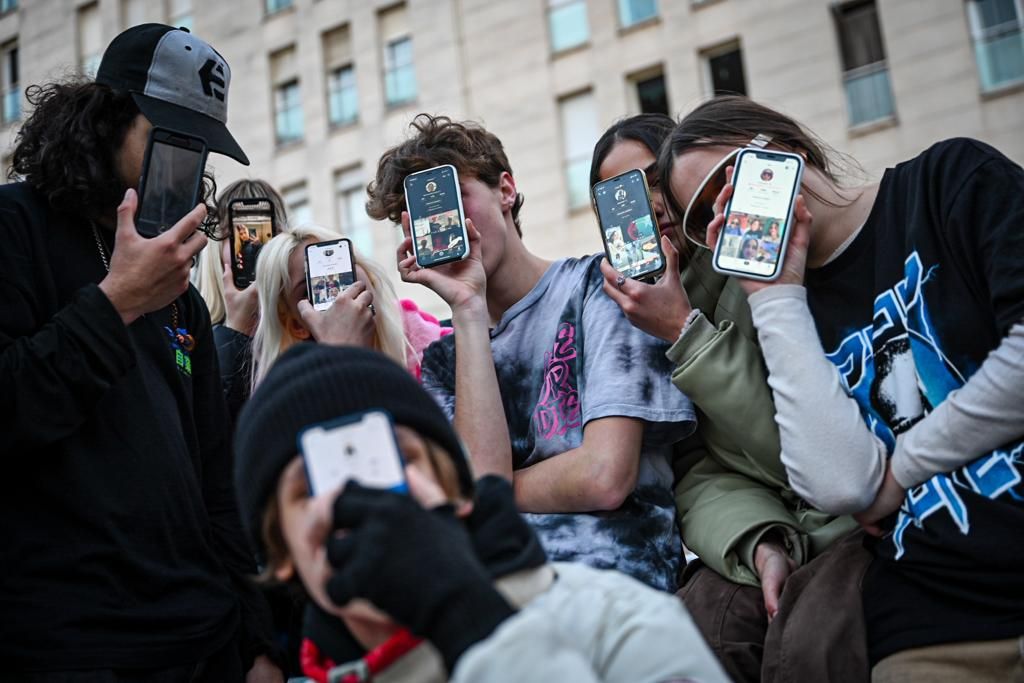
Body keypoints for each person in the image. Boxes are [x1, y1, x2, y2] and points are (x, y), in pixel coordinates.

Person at [666, 95, 1024, 682]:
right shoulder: (781, 316)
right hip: (934, 620)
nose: (731, 208)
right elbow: (839, 484)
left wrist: (902, 470)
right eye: (707, 212)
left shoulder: (949, 180)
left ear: (785, 146)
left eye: (732, 178)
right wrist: (775, 295)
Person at [0, 24, 280, 681]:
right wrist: (115, 301)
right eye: (170, 138)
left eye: (200, 147)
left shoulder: (177, 289)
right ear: (105, 119)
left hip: (203, 638)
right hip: (71, 645)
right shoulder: (15, 228)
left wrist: (256, 640)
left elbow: (214, 479)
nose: (187, 164)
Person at [233, 344, 730, 683]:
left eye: (393, 460)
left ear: (455, 491)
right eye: (311, 485)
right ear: (283, 554)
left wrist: (468, 620)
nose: (358, 499)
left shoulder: (614, 616)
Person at [367, 114, 696, 593]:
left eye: (456, 201)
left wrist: (492, 491)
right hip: (499, 595)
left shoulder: (603, 288)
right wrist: (467, 306)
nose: (448, 225)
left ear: (505, 190)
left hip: (614, 576)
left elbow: (605, 476)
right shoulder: (444, 358)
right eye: (425, 218)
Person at [591, 112, 856, 683]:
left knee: (807, 647)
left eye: (654, 180)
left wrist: (686, 331)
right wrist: (759, 540)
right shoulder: (632, 320)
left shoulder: (762, 259)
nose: (650, 204)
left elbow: (799, 446)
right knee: (698, 640)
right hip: (754, 528)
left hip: (847, 515)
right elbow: (692, 467)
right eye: (621, 195)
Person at [249, 225, 449, 387]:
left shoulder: (446, 348)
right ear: (297, 326)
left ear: (369, 274)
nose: (341, 294)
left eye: (344, 268)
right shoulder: (301, 400)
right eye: (312, 289)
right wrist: (345, 356)